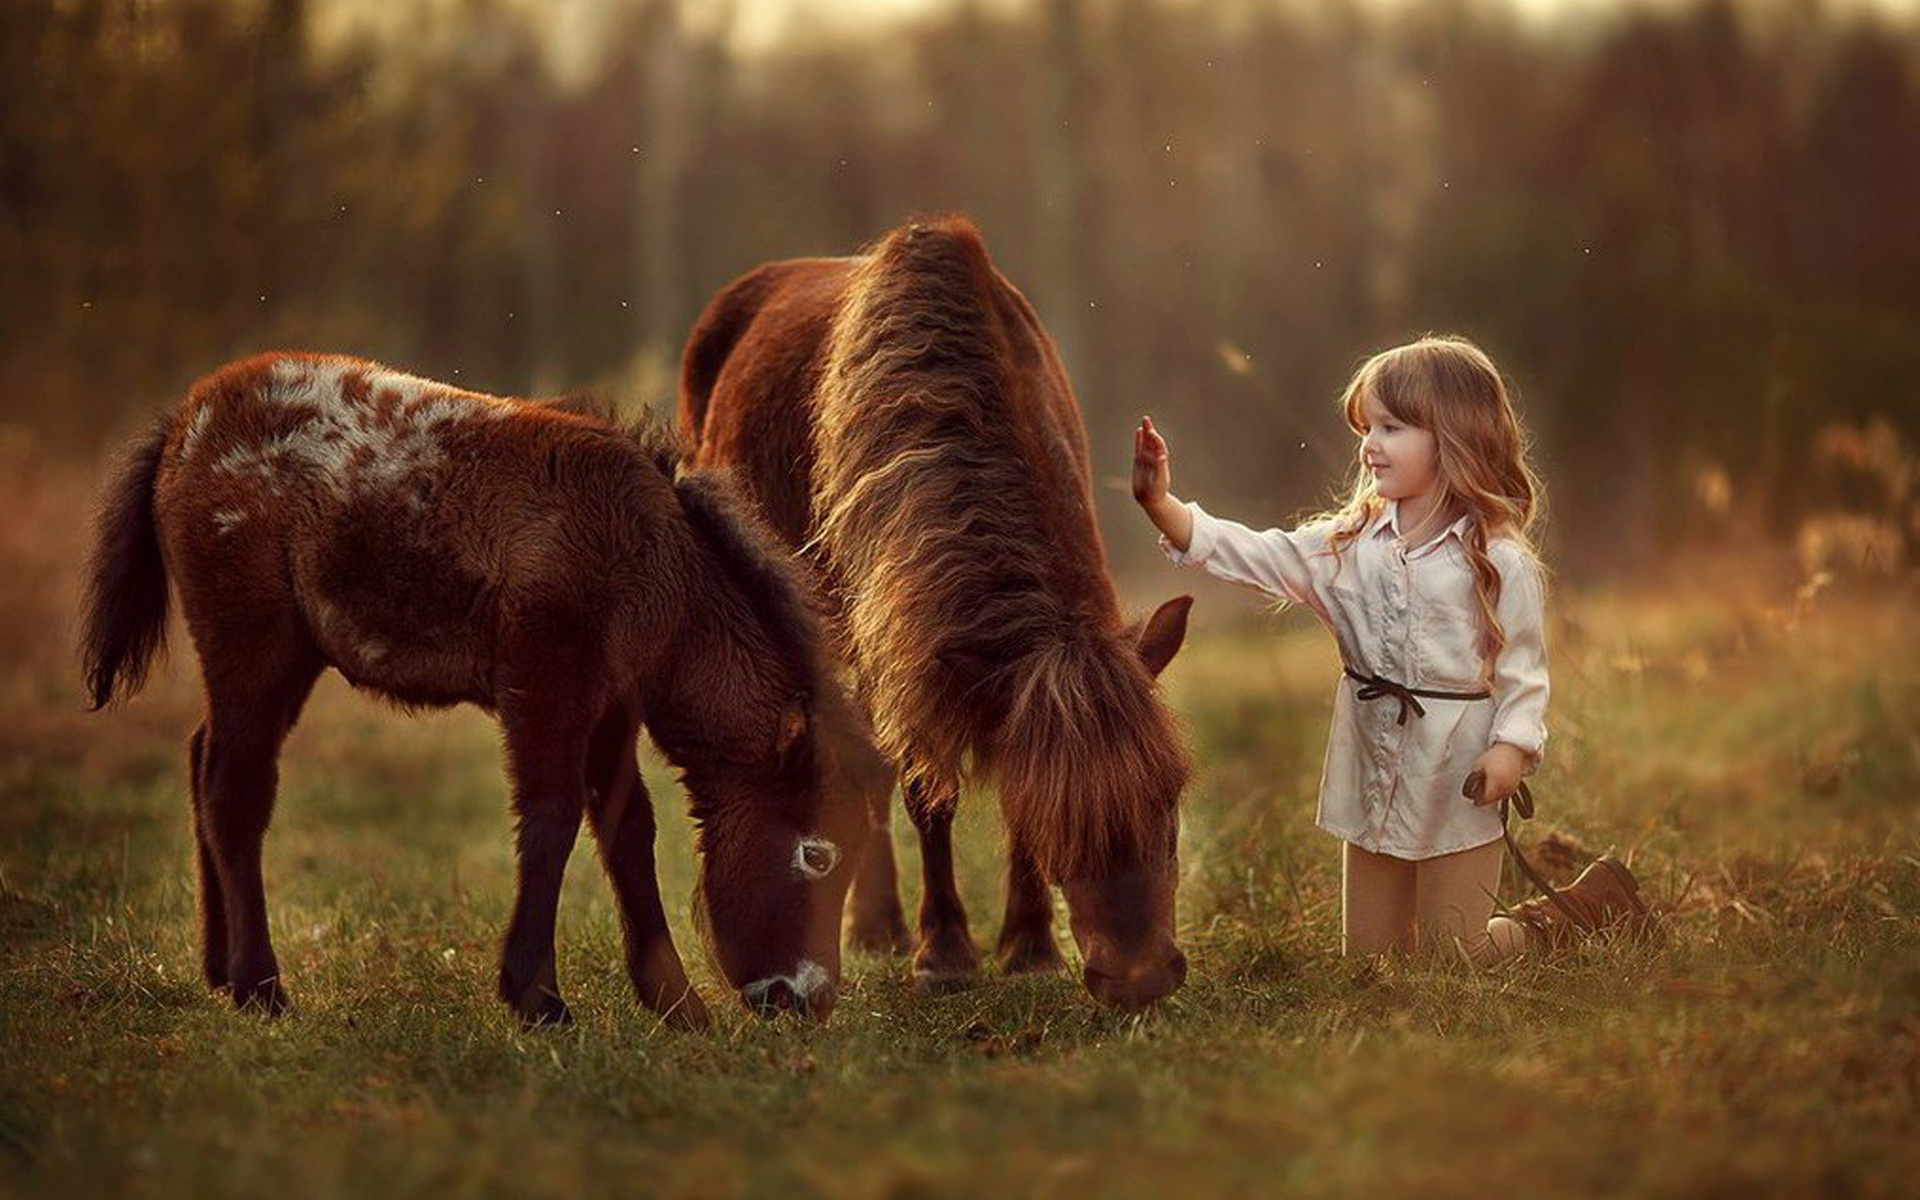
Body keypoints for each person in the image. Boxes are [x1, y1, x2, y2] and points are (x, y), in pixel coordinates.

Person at [1133, 335, 1647, 966]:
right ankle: (1470, 929)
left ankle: (1583, 912)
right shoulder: (1349, 547)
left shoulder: (1498, 561)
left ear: (1452, 436)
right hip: (1371, 766)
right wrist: (1160, 503)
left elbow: (1523, 675)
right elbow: (1256, 553)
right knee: (1371, 962)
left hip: (1456, 772)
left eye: (1391, 426)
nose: (1369, 445)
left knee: (1452, 956)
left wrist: (1511, 748)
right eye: (1366, 427)